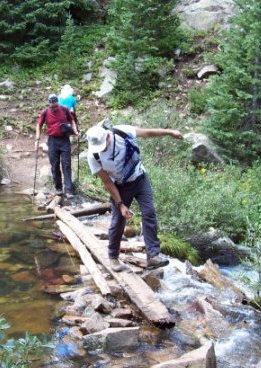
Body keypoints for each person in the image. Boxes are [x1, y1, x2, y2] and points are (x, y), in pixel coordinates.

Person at [86, 121, 183, 272]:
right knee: (118, 221)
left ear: (107, 137)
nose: (102, 148)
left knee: (149, 212)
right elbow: (107, 182)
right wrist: (120, 204)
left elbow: (147, 133)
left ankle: (153, 256)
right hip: (120, 186)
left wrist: (170, 132)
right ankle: (113, 257)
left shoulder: (121, 132)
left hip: (139, 178)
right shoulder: (93, 156)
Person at [35, 94, 79, 196]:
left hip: (64, 140)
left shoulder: (64, 109)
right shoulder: (45, 112)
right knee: (54, 165)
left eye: (55, 105)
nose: (54, 107)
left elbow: (72, 120)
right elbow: (39, 124)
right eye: (52, 106)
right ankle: (58, 187)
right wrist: (37, 139)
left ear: (57, 103)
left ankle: (68, 190)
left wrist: (76, 131)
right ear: (49, 103)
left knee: (66, 164)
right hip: (52, 141)